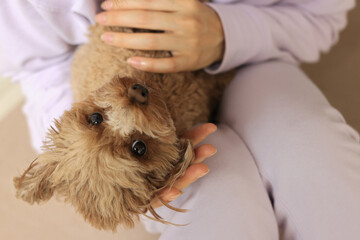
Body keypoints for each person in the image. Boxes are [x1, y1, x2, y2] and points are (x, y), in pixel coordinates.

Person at [1, 0, 359, 239]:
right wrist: (109, 173)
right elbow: (37, 65)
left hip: (252, 60)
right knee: (217, 199)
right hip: (159, 148)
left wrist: (227, 33)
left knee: (313, 149)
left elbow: (317, 17)